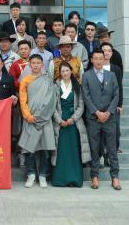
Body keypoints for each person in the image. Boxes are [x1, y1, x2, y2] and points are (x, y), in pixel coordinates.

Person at [82, 49, 121, 191]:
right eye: (96, 58)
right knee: (94, 148)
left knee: (112, 149)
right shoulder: (86, 76)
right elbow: (86, 96)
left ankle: (115, 177)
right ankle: (94, 176)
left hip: (109, 118)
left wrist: (108, 112)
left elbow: (116, 94)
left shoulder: (111, 75)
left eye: (101, 58)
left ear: (104, 60)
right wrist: (97, 112)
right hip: (93, 118)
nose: (98, 61)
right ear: (92, 60)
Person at [18, 54, 58, 188]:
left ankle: (43, 175)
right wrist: (28, 116)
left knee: (45, 150)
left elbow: (51, 100)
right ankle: (31, 175)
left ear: (42, 65)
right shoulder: (25, 80)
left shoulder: (48, 80)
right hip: (30, 119)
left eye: (38, 63)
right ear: (30, 65)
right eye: (33, 63)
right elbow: (23, 100)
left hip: (45, 119)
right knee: (29, 149)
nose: (36, 65)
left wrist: (42, 116)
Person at [51, 62, 91, 188]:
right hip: (60, 122)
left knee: (74, 150)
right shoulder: (55, 86)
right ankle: (60, 179)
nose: (65, 73)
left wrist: (72, 119)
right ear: (59, 73)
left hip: (74, 123)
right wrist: (59, 120)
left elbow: (81, 106)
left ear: (71, 71)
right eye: (62, 71)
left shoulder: (77, 86)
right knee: (61, 151)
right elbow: (52, 107)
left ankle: (74, 179)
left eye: (67, 70)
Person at [101, 42, 124, 154]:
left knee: (116, 127)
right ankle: (103, 148)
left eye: (109, 50)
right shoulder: (95, 67)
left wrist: (120, 104)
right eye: (104, 50)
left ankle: (115, 147)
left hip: (114, 103)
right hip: (100, 103)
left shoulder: (116, 69)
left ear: (112, 53)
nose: (106, 52)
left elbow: (119, 87)